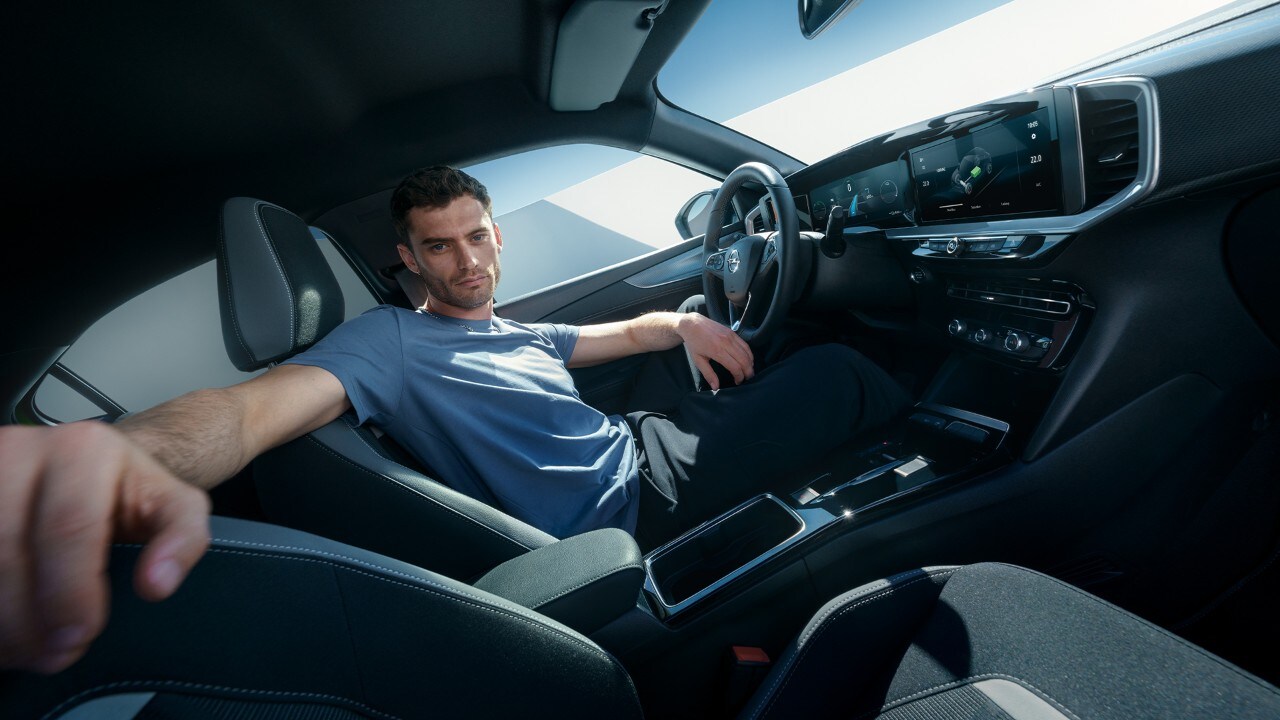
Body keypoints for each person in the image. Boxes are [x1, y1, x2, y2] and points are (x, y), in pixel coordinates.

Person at [0, 166, 907, 675]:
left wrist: (683, 321)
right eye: (440, 245)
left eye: (478, 236)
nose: (466, 260)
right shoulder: (386, 343)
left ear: (497, 237)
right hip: (629, 504)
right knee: (842, 369)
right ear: (410, 259)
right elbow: (248, 412)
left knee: (734, 370)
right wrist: (114, 459)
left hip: (636, 449)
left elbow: (619, 334)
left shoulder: (512, 331)